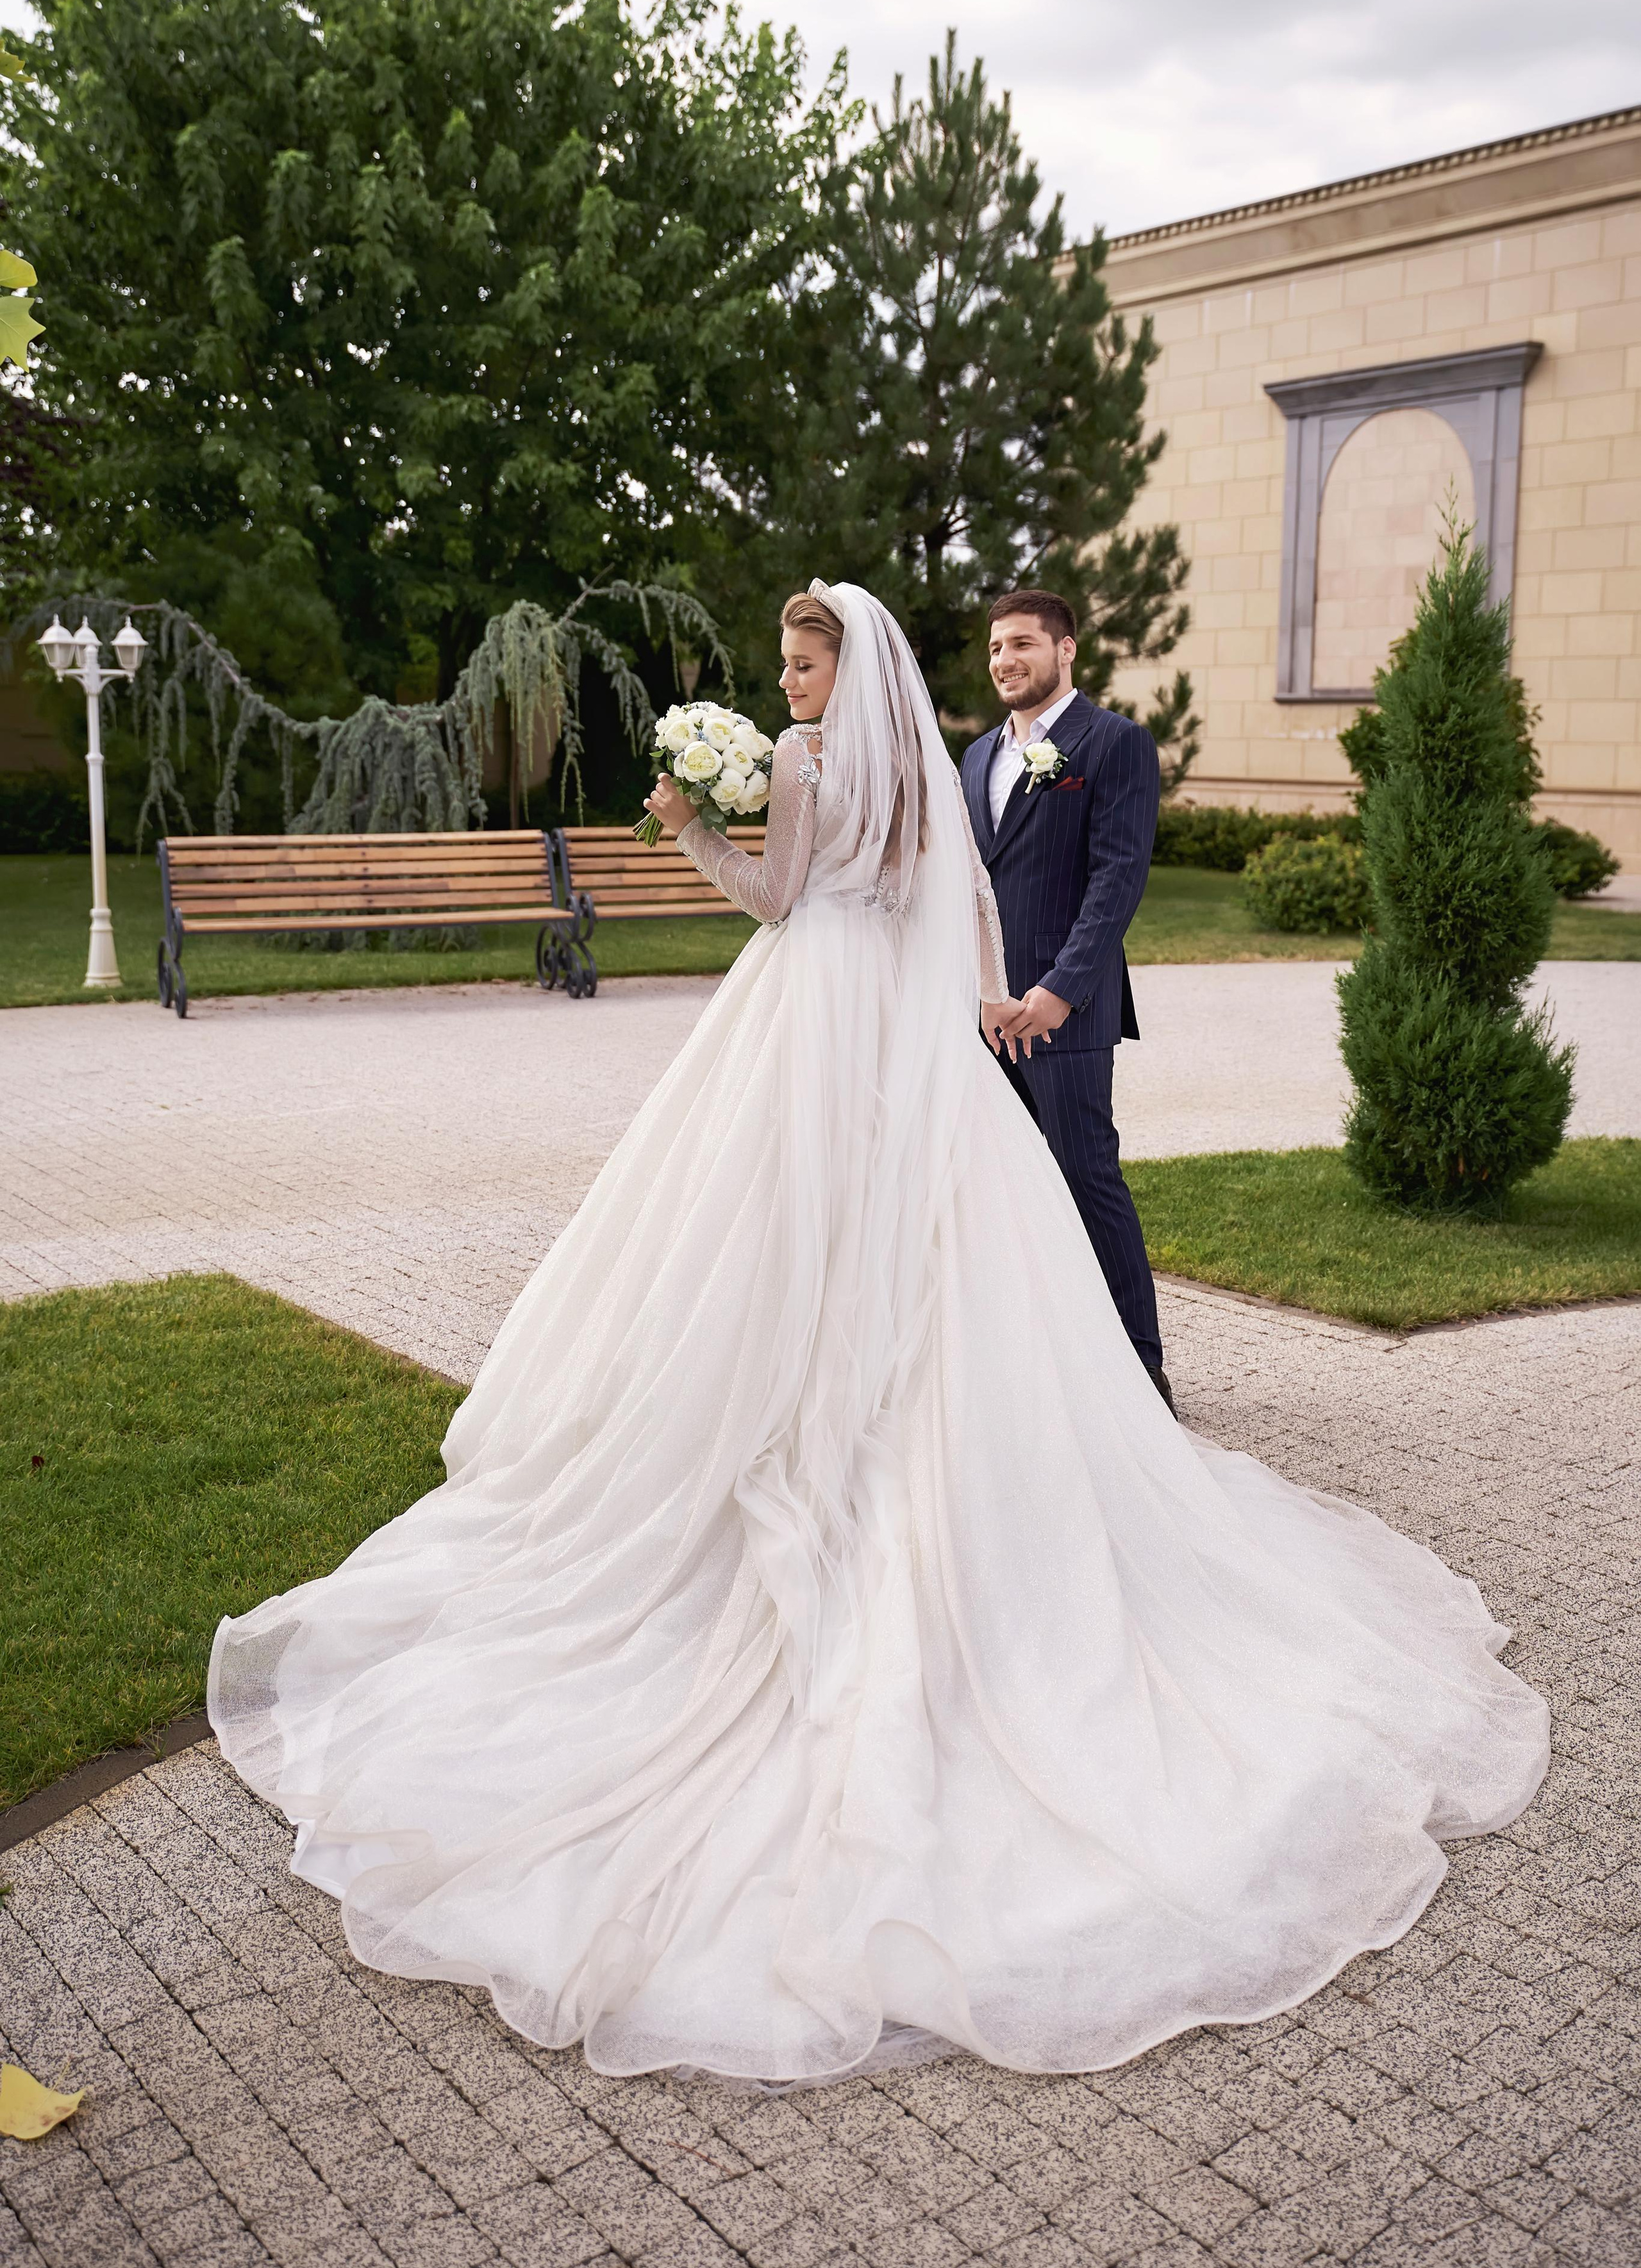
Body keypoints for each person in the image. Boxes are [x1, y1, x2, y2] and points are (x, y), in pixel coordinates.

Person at [210, 581, 1548, 2088]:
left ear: (849, 676)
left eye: (801, 662)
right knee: (913, 1246)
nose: (787, 682)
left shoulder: (801, 766)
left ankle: (799, 1449)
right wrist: (979, 994)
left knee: (772, 1239)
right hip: (904, 1041)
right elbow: (965, 894)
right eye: (781, 664)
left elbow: (778, 900)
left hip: (806, 1015)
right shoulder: (920, 770)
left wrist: (684, 820)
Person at [961, 589, 1169, 1407]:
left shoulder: (1113, 745)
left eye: (1022, 644)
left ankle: (1141, 1370)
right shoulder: (975, 758)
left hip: (1064, 1017)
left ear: (1066, 651)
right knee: (1000, 1189)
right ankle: (1038, 1364)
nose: (1005, 660)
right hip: (982, 1018)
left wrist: (1056, 994)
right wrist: (977, 992)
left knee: (1085, 1176)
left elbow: (1117, 882)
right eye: (995, 648)